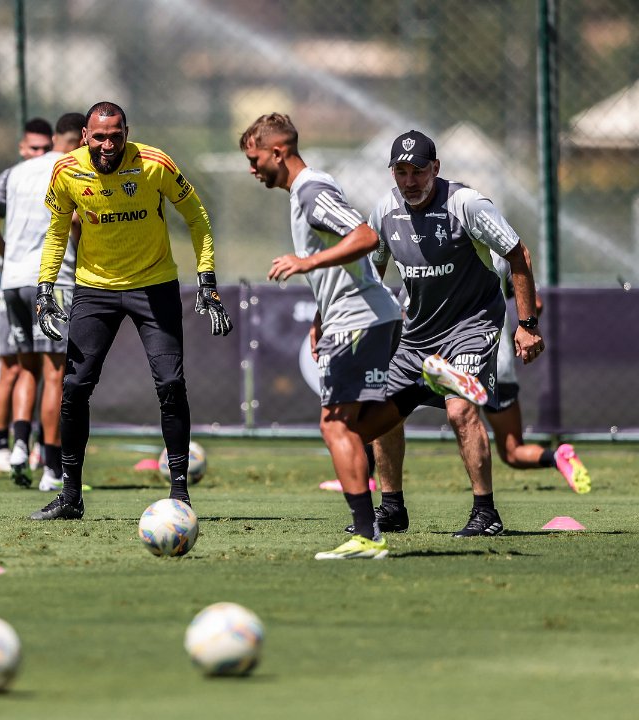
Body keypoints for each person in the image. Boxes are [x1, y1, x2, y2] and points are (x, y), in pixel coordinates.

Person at [29, 101, 232, 521]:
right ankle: (70, 496)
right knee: (74, 388)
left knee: (171, 384)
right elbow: (56, 230)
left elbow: (197, 217)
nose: (107, 145)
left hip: (154, 286)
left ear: (127, 133)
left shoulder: (155, 164)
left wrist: (207, 278)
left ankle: (180, 495)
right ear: (85, 136)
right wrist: (45, 286)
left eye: (115, 136)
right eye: (99, 136)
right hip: (94, 289)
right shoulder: (66, 170)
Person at [349, 129, 545, 539]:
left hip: (472, 326)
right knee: (382, 411)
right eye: (400, 172)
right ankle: (392, 509)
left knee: (460, 408)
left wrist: (526, 326)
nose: (410, 181)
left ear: (435, 168)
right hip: (416, 335)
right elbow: (371, 272)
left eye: (418, 171)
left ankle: (486, 513)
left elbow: (517, 253)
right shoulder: (385, 209)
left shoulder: (466, 204)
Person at [240, 113, 402, 560]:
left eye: (255, 159)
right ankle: (421, 390)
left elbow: (366, 235)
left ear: (278, 152)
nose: (252, 169)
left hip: (359, 320)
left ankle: (367, 536)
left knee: (335, 425)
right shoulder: (304, 193)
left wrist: (305, 264)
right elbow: (347, 260)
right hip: (356, 316)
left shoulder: (311, 191)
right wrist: (320, 313)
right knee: (354, 424)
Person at [0, 112, 86, 491]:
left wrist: (6, 252)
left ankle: (20, 446)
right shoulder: (72, 167)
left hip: (12, 281)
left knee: (25, 369)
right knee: (56, 374)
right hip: (51, 280)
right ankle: (52, 468)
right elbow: (73, 223)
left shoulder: (17, 172)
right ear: (81, 139)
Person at [0, 118, 54, 475]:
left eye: (45, 148)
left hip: (41, 280)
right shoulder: (11, 178)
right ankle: (2, 447)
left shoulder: (55, 172)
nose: (39, 154)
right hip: (16, 282)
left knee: (40, 368)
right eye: (33, 148)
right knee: (14, 367)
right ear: (22, 148)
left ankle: (30, 445)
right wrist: (6, 252)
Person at [481, 255, 590, 492]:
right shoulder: (500, 256)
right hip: (501, 362)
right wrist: (518, 331)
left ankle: (481, 503)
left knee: (392, 409)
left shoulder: (435, 246)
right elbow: (536, 303)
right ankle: (557, 457)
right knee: (512, 451)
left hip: (454, 358)